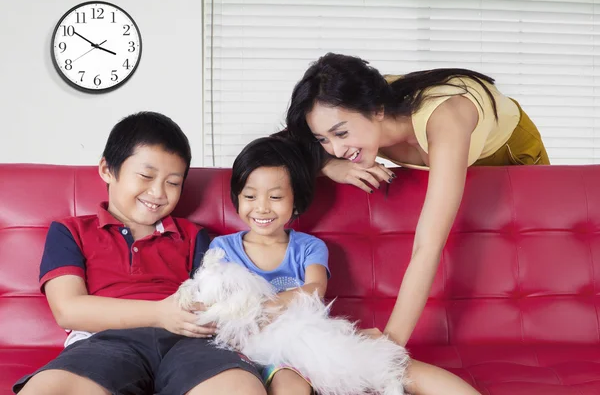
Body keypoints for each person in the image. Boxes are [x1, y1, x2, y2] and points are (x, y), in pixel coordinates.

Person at [284, 52, 550, 347]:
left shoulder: (446, 120)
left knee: (526, 259)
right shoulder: (351, 111)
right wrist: (328, 164)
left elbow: (428, 246)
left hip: (509, 152)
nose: (335, 147)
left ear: (377, 111)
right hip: (443, 148)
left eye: (341, 133)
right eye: (323, 140)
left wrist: (389, 344)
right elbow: (281, 147)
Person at [14, 112, 266, 395]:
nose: (158, 192)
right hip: (104, 343)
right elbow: (68, 309)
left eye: (173, 183)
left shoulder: (193, 235)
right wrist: (159, 313)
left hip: (189, 343)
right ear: (107, 170)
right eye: (146, 176)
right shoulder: (71, 231)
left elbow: (211, 299)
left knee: (241, 388)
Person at [210, 135, 481, 395]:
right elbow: (218, 305)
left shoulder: (307, 246)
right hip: (255, 348)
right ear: (237, 198)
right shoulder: (223, 249)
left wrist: (265, 307)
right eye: (250, 196)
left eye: (276, 197)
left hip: (313, 343)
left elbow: (315, 289)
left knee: (397, 365)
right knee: (287, 382)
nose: (262, 208)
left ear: (295, 202)